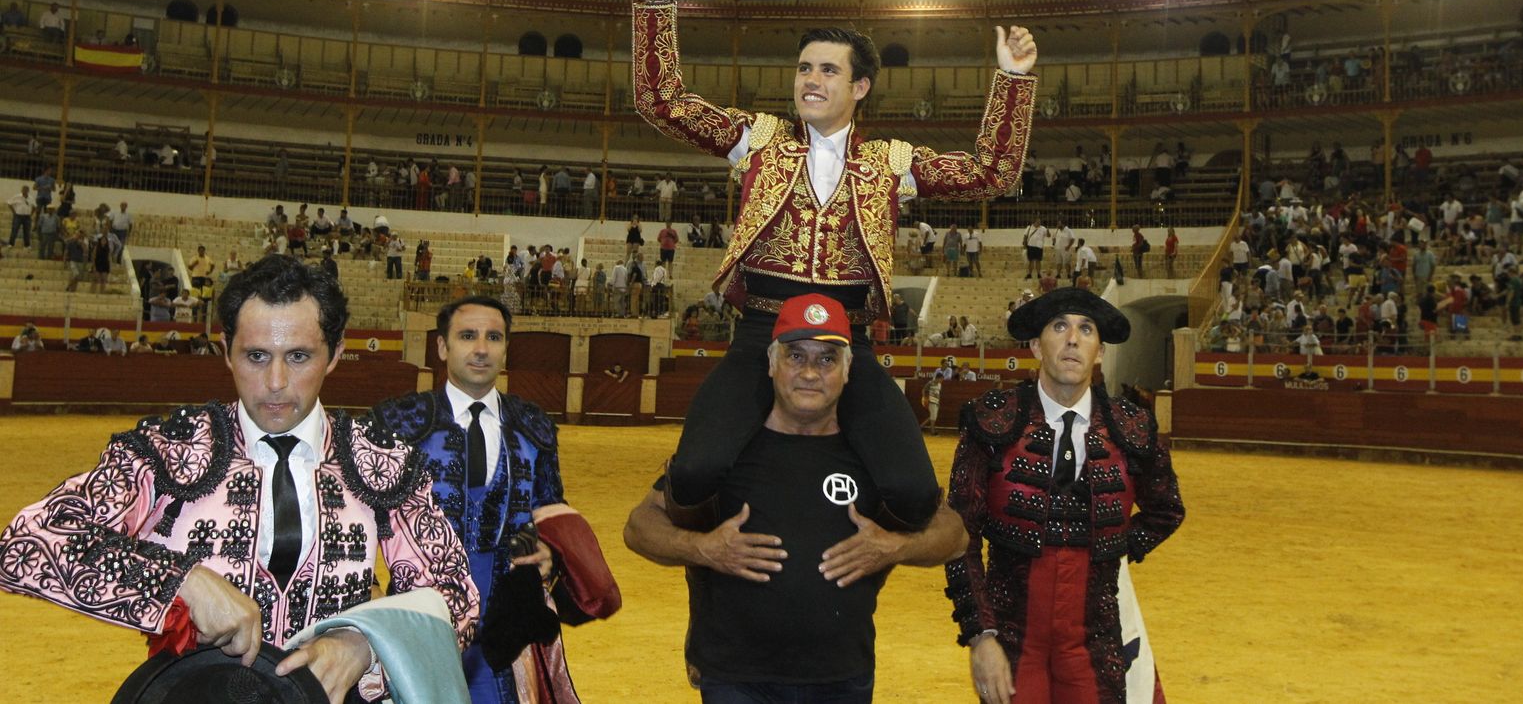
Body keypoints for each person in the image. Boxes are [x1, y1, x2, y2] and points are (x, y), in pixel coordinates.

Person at [633, 0, 1036, 530]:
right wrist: (657, 2)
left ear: (860, 87)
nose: (811, 80)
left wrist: (1013, 81)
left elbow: (992, 173)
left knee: (913, 491)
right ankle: (716, 544)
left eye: (828, 70)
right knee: (695, 473)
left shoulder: (889, 163)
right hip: (762, 335)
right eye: (804, 68)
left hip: (848, 343)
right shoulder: (758, 139)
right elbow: (661, 101)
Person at [0, 254, 478, 703]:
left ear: (334, 354)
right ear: (226, 351)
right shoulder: (170, 449)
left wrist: (366, 644)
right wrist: (182, 581)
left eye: (298, 357)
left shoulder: (383, 461)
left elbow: (454, 592)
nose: (275, 382)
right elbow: (28, 543)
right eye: (256, 356)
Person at [622, 293, 966, 702]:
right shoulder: (728, 451)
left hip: (842, 679)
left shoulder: (874, 458)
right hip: (736, 680)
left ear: (848, 370)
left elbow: (955, 535)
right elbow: (639, 526)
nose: (810, 373)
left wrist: (895, 547)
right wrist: (702, 549)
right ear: (770, 363)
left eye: (827, 359)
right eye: (795, 356)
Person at [946, 287, 1185, 704]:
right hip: (1012, 641)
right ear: (1037, 346)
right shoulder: (992, 419)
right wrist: (981, 636)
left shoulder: (1132, 427)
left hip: (1095, 642)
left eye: (1086, 329)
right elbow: (959, 536)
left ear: (1100, 352)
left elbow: (1166, 510)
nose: (1073, 339)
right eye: (1059, 327)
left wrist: (1109, 548)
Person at [372, 296, 583, 703]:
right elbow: (361, 516)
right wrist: (372, 589)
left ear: (506, 349)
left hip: (508, 626)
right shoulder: (398, 423)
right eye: (468, 336)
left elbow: (550, 509)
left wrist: (550, 554)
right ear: (442, 346)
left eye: (494, 338)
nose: (482, 349)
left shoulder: (534, 424)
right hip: (420, 618)